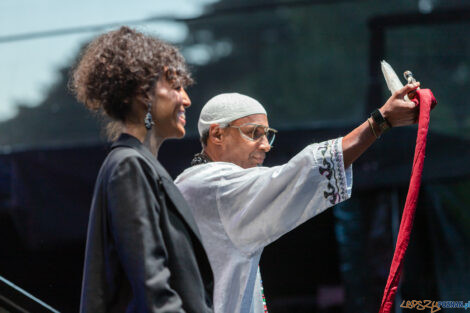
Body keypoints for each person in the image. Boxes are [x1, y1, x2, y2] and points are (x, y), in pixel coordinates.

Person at [174, 85, 421, 313]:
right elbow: (297, 176)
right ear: (217, 135)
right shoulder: (213, 184)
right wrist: (380, 122)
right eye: (253, 133)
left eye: (267, 135)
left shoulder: (194, 183)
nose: (265, 146)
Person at [70, 26, 214, 313]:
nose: (186, 99)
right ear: (142, 94)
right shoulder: (129, 166)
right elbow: (153, 289)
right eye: (175, 87)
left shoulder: (134, 165)